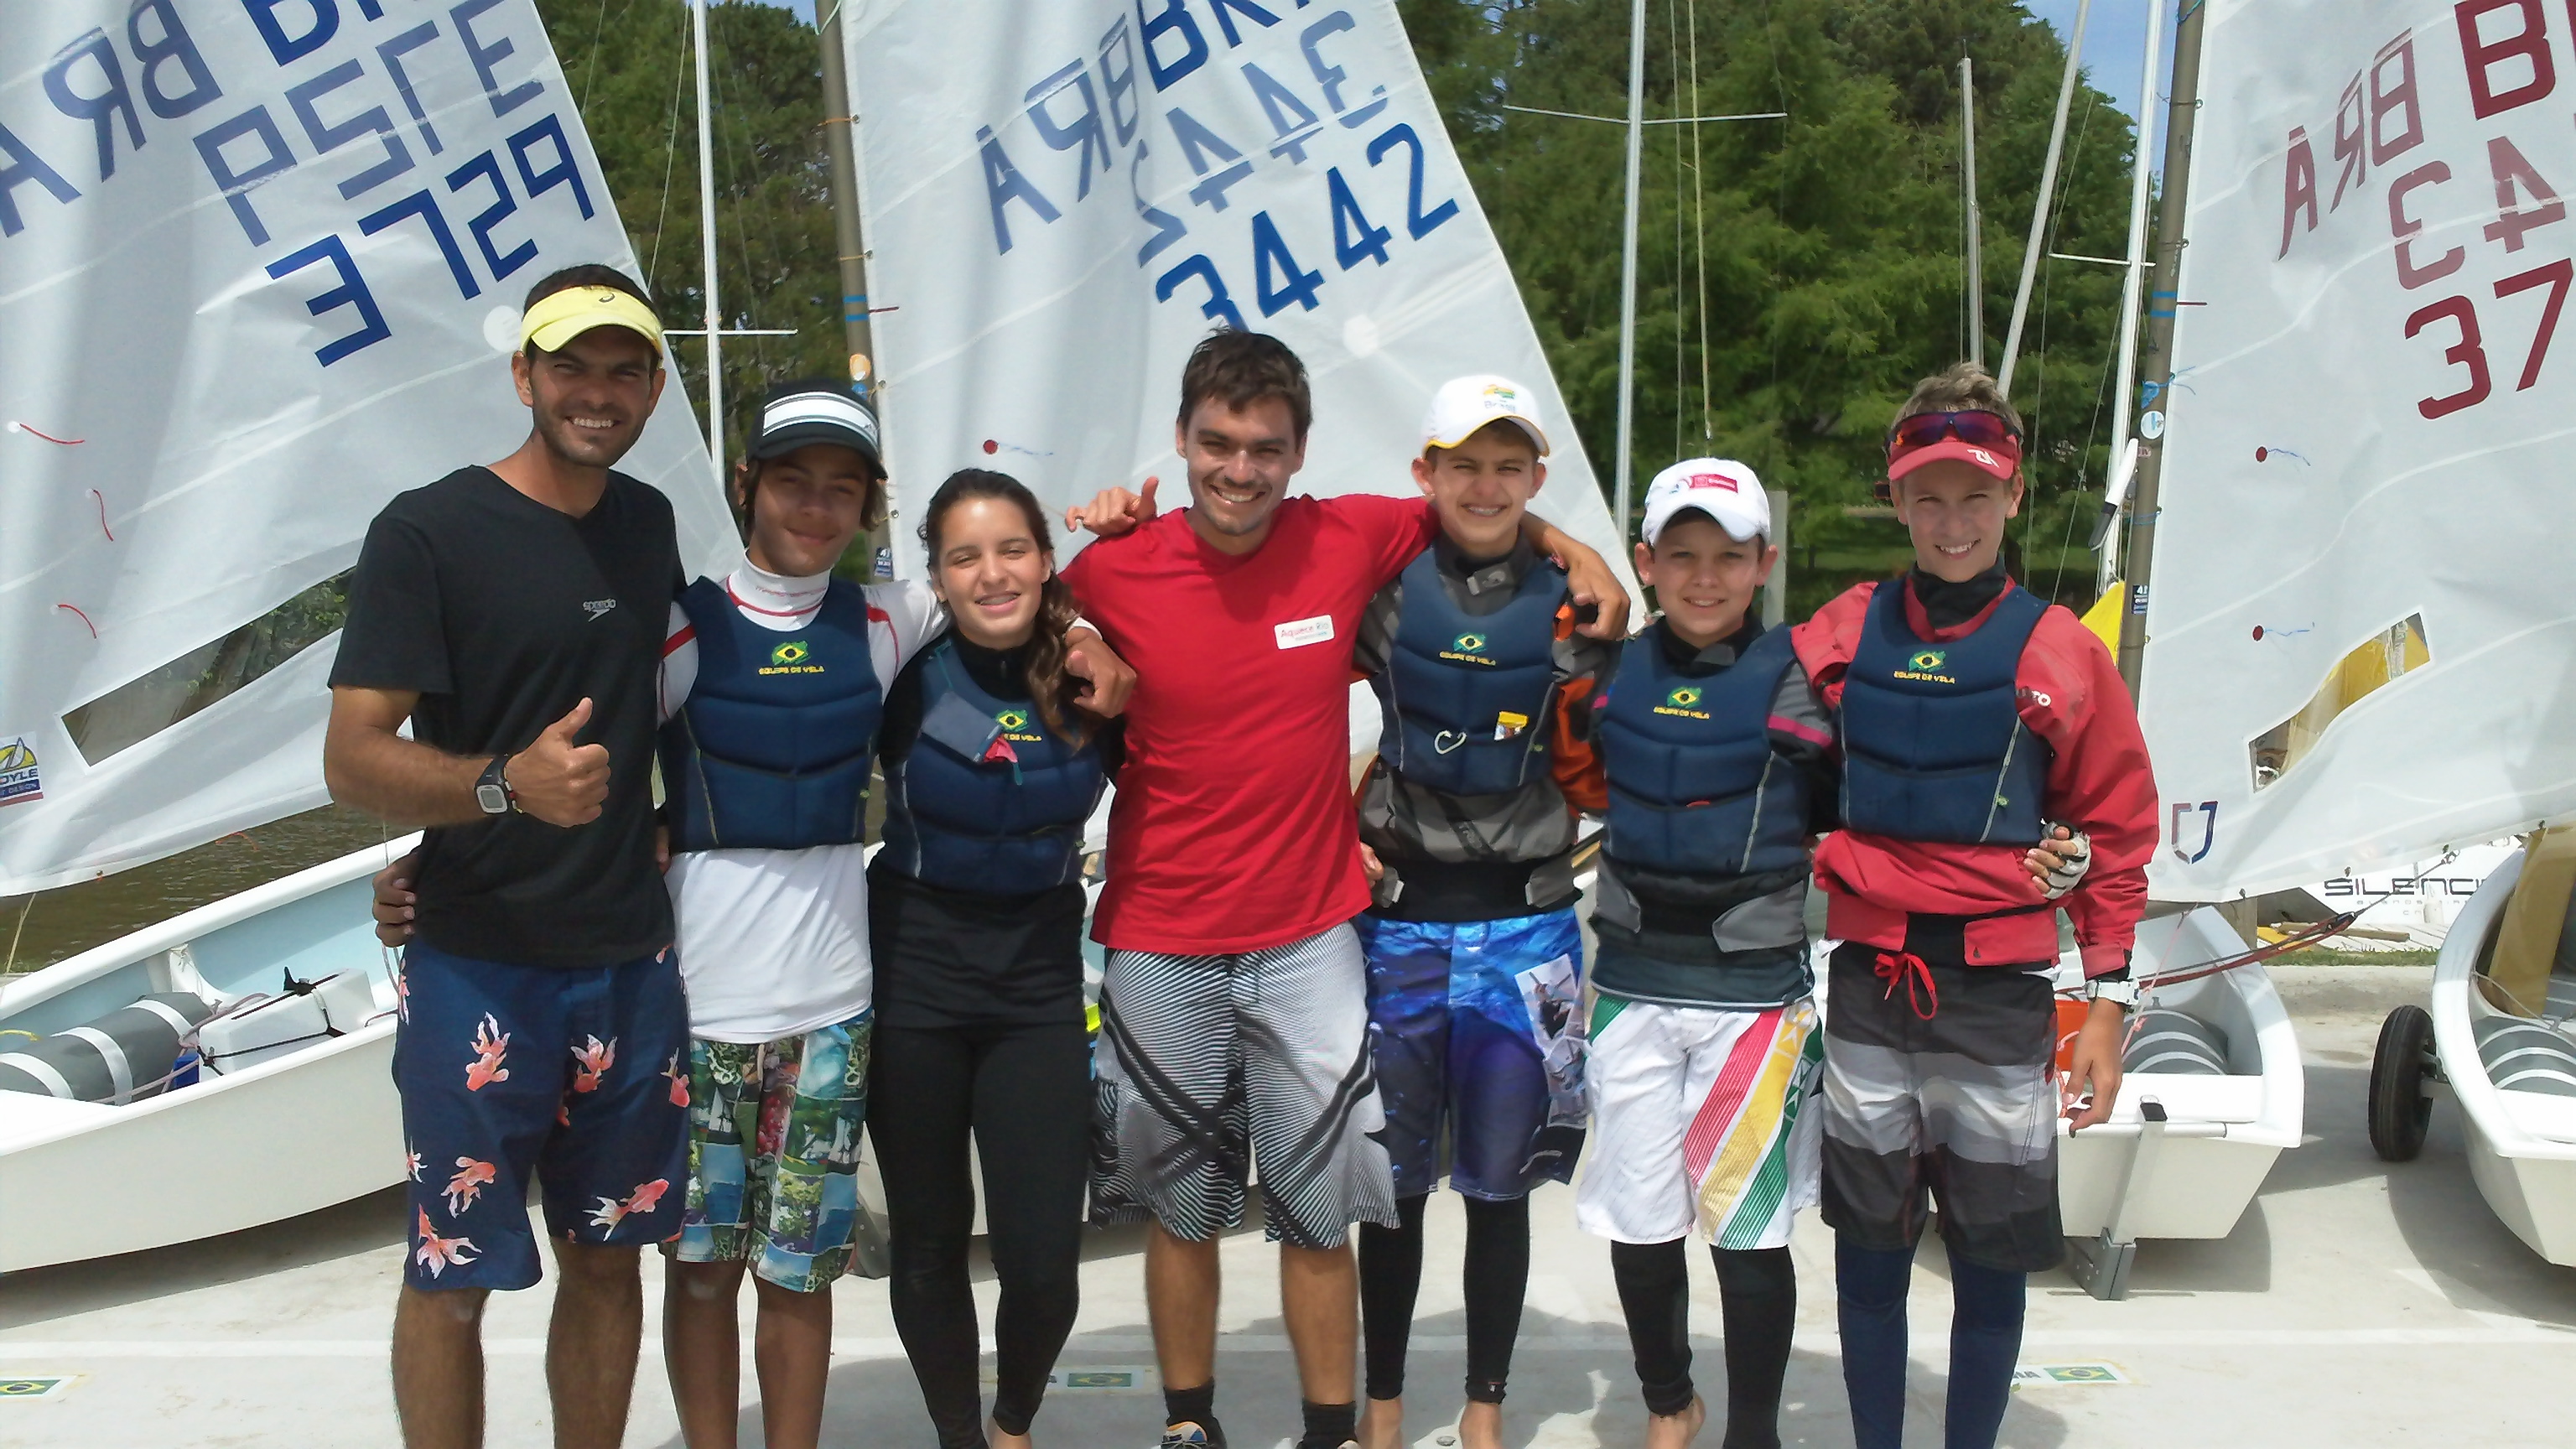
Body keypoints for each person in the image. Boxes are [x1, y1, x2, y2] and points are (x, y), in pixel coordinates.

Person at [370, 383, 1135, 1449]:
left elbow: (1007, 589)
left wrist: (1089, 620)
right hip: (694, 1008)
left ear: (867, 506)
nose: (815, 507)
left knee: (799, 1274)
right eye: (791, 482)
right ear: (746, 486)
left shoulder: (888, 618)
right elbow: (549, 754)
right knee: (699, 1273)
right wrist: (430, 857)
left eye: (841, 489)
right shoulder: (676, 626)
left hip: (835, 1009)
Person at [1059, 330, 1628, 1449]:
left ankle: (1331, 1431)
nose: (1240, 470)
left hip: (1312, 936)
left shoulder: (1348, 534)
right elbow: (1015, 603)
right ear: (1181, 441)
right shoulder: (1114, 567)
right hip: (1159, 936)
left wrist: (1581, 553)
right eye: (1217, 444)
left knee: (1320, 1210)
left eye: (1266, 449)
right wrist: (1078, 620)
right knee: (1182, 1209)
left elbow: (1486, 509)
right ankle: (1189, 1424)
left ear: (1301, 452)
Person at [325, 265, 693, 1449]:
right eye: (570, 365)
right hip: (477, 966)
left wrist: (675, 822)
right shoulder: (426, 532)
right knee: (453, 1271)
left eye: (624, 370)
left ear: (654, 388)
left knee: (609, 1259)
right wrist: (499, 786)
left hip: (629, 965)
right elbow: (352, 757)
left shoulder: (648, 524)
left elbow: (668, 709)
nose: (597, 392)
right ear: (523, 375)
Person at [1790, 361, 2148, 1449]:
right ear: (1896, 500)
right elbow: (1760, 757)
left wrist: (2108, 1007)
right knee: (1870, 1257)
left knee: (1992, 1263)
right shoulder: (1843, 630)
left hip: (1998, 998)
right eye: (1930, 497)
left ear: (2015, 496)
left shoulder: (2062, 649)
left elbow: (2118, 833)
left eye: (1977, 496)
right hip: (1870, 987)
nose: (1954, 522)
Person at [1343, 376, 1608, 1449]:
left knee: (1500, 1192)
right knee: (1392, 1189)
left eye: (1509, 467)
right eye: (1465, 465)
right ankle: (1384, 1403)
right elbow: (1285, 709)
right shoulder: (1381, 591)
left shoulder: (1581, 603)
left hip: (1527, 934)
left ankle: (1485, 1407)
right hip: (1397, 930)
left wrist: (1575, 553)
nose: (1486, 486)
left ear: (1537, 476)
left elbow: (1618, 755)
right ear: (1427, 472)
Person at [867, 470, 1123, 1449]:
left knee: (1045, 1259)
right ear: (936, 576)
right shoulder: (903, 668)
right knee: (930, 1244)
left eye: (1012, 549)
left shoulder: (1098, 671)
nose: (992, 574)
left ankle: (1013, 1423)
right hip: (915, 975)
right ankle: (960, 1439)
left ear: (1046, 559)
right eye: (965, 557)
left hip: (1037, 985)